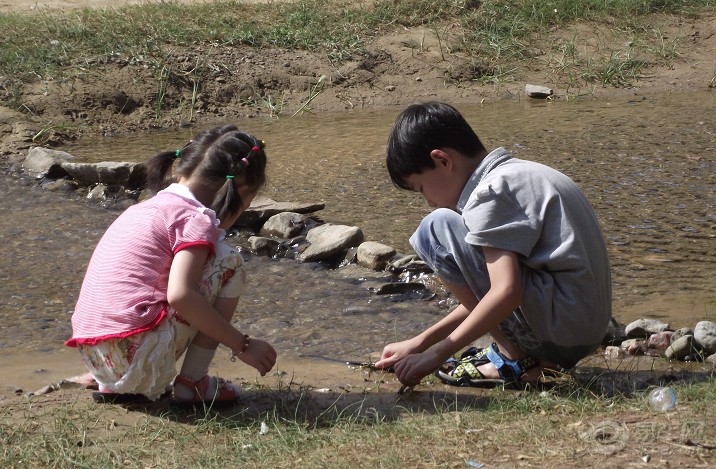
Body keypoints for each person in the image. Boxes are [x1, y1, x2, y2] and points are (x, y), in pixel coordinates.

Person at [374, 102, 612, 387]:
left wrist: (436, 354)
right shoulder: (523, 173)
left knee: (435, 228)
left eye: (421, 187)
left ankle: (516, 359)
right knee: (444, 226)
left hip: (561, 333)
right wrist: (420, 342)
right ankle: (534, 359)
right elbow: (491, 293)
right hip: (581, 330)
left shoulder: (488, 194)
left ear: (442, 160)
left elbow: (506, 293)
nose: (428, 200)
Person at [66, 125, 277, 405]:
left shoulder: (143, 208)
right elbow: (180, 294)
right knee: (229, 261)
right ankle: (193, 382)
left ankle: (115, 380)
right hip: (137, 357)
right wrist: (242, 345)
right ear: (240, 190)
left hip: (98, 354)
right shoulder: (195, 219)